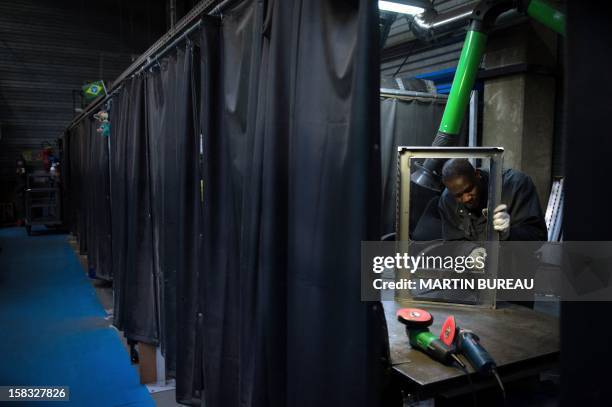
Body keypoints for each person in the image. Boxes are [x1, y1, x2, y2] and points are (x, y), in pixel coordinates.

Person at [438, 158, 547, 242]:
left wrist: (508, 232)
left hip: (515, 265)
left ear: (477, 175)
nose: (466, 198)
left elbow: (538, 238)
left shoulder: (516, 185)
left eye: (469, 189)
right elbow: (452, 243)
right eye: (459, 195)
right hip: (477, 269)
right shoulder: (448, 199)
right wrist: (471, 253)